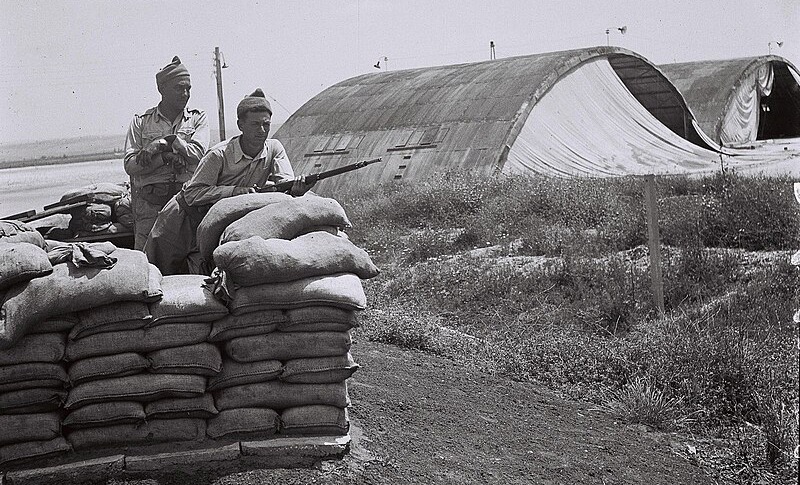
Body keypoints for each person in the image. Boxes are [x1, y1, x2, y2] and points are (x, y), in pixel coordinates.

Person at [144, 88, 314, 275]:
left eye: (266, 124)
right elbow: (193, 194)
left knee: (206, 276)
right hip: (181, 219)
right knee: (160, 273)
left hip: (213, 223)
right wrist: (234, 192)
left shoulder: (274, 149)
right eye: (255, 124)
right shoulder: (219, 154)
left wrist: (296, 189)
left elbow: (285, 184)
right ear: (240, 125)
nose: (262, 130)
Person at [123, 56, 209, 250]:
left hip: (186, 204)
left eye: (188, 88)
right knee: (146, 263)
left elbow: (197, 154)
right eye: (179, 88)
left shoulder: (197, 119)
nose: (185, 93)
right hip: (150, 206)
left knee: (189, 261)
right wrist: (165, 157)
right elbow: (131, 165)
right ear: (161, 89)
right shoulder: (141, 122)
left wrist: (164, 142)